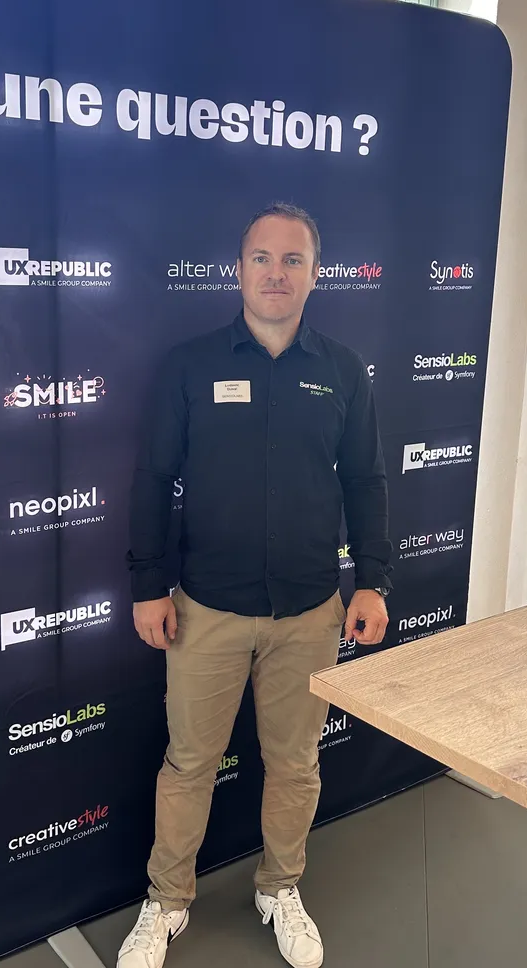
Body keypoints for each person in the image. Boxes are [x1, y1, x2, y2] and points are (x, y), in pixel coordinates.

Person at [118, 203, 392, 968]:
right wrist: (149, 584)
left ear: (315, 272)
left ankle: (280, 886)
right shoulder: (190, 366)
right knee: (189, 764)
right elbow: (153, 479)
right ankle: (166, 901)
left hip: (311, 611)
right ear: (238, 269)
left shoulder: (341, 371)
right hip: (205, 609)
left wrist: (371, 581)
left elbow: (366, 482)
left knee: (296, 764)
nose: (277, 273)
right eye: (262, 258)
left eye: (293, 260)